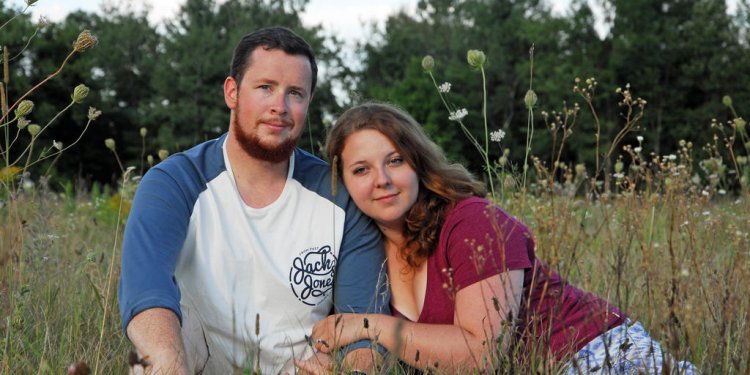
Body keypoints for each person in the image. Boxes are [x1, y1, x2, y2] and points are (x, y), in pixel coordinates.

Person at [304, 102, 697, 374]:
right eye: (361, 170)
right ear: (343, 183)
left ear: (418, 163)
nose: (383, 181)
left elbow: (482, 357)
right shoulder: (362, 252)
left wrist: (368, 326)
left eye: (395, 161)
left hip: (601, 357)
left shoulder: (471, 222)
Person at [118, 27, 389, 374]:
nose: (280, 107)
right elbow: (146, 293)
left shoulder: (341, 196)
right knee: (157, 351)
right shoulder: (174, 183)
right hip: (193, 366)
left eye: (295, 93)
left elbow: (366, 328)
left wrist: (346, 367)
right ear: (232, 92)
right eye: (266, 88)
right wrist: (169, 362)